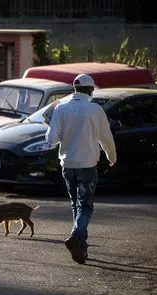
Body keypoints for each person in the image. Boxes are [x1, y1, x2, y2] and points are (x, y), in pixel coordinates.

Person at [45, 74, 117, 265]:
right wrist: (112, 157)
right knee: (85, 207)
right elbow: (106, 137)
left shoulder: (60, 108)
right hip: (87, 165)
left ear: (75, 89)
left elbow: (51, 140)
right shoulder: (95, 109)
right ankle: (76, 236)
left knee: (76, 206)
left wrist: (49, 125)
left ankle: (81, 250)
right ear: (91, 90)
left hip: (68, 165)